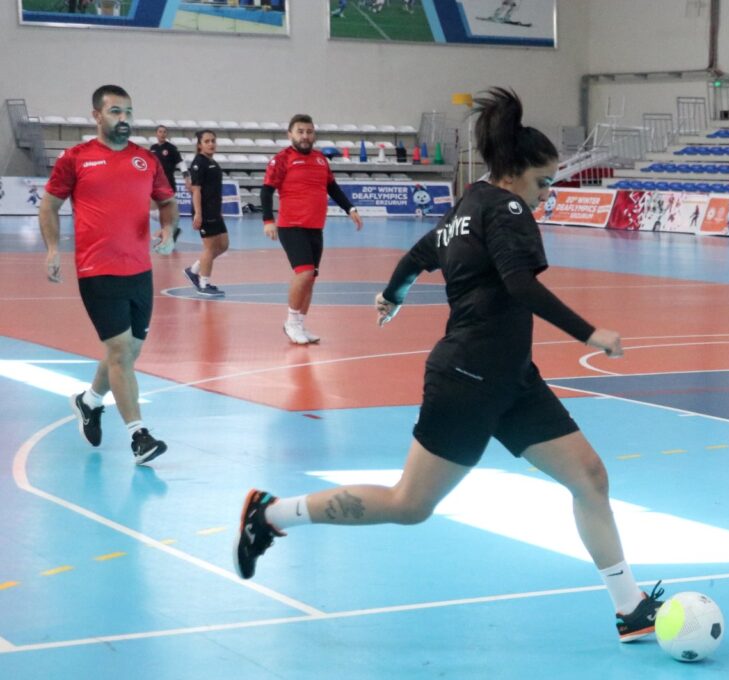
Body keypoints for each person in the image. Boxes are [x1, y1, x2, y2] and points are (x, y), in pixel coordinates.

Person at [234, 88, 664, 643]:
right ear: (513, 174)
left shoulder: (468, 206)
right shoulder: (506, 210)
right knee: (409, 504)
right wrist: (590, 332)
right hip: (469, 378)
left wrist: (393, 294)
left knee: (589, 477)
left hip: (511, 379)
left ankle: (630, 610)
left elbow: (419, 255)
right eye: (542, 184)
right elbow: (517, 282)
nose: (545, 197)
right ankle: (270, 515)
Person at [39, 84, 178, 465]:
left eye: (129, 112)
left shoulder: (145, 160)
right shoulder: (76, 158)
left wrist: (168, 229)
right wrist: (53, 249)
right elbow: (49, 205)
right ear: (97, 115)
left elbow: (167, 202)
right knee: (119, 352)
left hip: (140, 270)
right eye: (116, 112)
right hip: (97, 269)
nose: (124, 119)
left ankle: (90, 401)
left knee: (128, 352)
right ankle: (139, 436)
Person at [261, 114, 364, 345]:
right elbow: (266, 191)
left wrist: (350, 209)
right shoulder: (282, 159)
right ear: (290, 134)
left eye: (309, 131)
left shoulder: (320, 160)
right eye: (300, 131)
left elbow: (332, 187)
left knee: (311, 279)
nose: (305, 136)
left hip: (315, 227)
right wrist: (268, 220)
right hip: (291, 226)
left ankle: (300, 324)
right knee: (304, 273)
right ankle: (291, 322)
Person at [183, 130, 229, 297]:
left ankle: (193, 270)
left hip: (215, 210)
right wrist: (198, 214)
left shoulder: (212, 162)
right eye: (207, 141)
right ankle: (204, 283)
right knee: (209, 248)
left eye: (213, 141)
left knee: (223, 245)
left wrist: (220, 210)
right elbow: (196, 190)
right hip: (205, 211)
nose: (211, 144)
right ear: (199, 145)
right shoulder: (199, 163)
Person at [150, 125, 184, 244]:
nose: (162, 134)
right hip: (155, 185)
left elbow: (181, 163)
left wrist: (186, 177)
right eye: (160, 132)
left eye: (164, 132)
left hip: (168, 185)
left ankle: (168, 235)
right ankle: (172, 231)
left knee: (164, 212)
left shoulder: (171, 148)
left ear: (166, 134)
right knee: (153, 212)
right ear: (156, 134)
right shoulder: (153, 148)